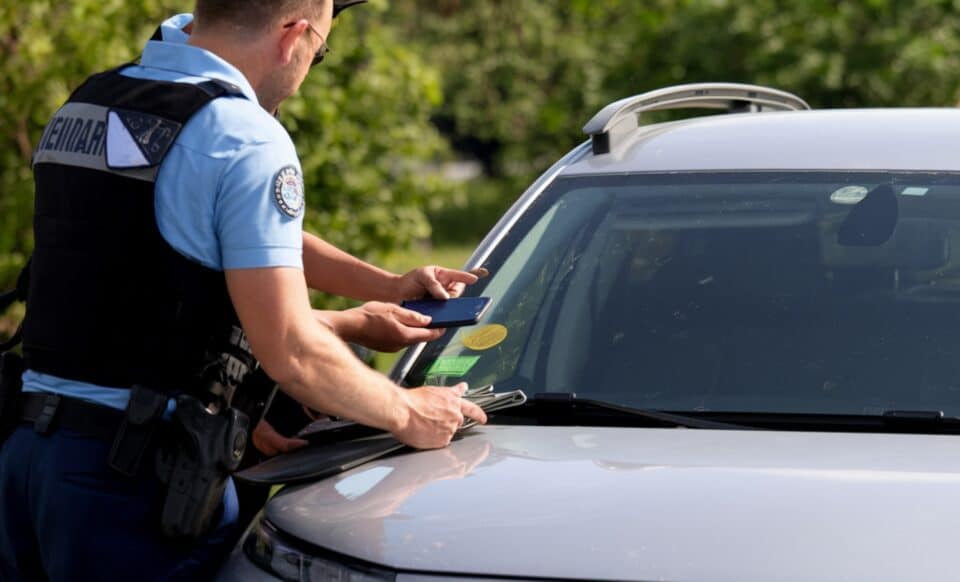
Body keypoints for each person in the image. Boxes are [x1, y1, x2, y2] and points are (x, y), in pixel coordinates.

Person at [0, 0, 487, 580]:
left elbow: (208, 244)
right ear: (292, 35)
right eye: (320, 51)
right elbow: (291, 349)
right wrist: (407, 411)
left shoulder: (93, 100)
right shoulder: (242, 135)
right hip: (133, 483)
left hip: (26, 461)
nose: (308, 73)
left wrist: (387, 285)